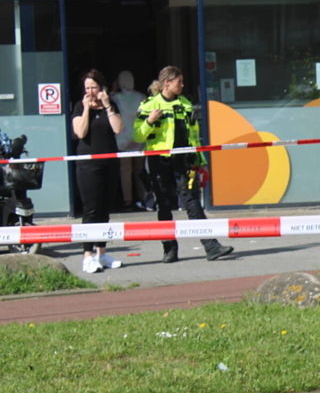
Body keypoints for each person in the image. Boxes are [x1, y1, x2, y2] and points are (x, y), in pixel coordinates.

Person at [133, 65, 233, 263]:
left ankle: (211, 246)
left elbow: (194, 137)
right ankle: (169, 250)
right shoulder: (149, 105)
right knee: (164, 205)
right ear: (167, 82)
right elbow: (137, 135)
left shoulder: (186, 104)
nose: (183, 85)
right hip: (159, 162)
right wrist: (150, 121)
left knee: (192, 202)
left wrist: (200, 162)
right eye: (179, 81)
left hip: (184, 161)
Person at [71, 69, 123, 273]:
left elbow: (118, 129)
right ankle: (87, 256)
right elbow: (80, 132)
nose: (91, 91)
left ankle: (102, 253)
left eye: (93, 87)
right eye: (87, 88)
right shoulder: (78, 106)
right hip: (88, 165)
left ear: (102, 87)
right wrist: (86, 109)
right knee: (90, 210)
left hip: (109, 163)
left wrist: (108, 106)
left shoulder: (110, 104)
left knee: (104, 210)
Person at [111, 70, 153, 211]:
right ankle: (142, 197)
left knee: (125, 172)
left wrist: (114, 88)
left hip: (122, 138)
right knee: (139, 170)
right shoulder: (141, 97)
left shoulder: (115, 97)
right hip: (138, 137)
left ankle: (127, 200)